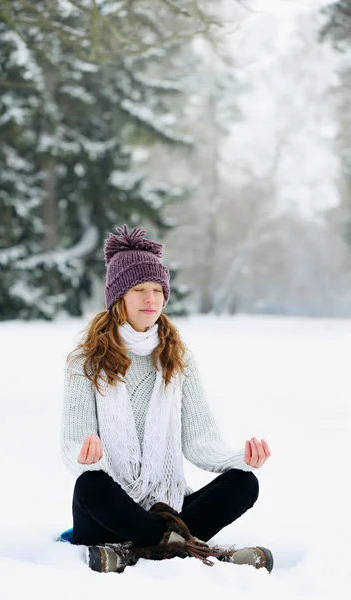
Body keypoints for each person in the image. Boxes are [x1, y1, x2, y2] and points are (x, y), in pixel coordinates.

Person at [60, 224, 272, 574]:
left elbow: (201, 442)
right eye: (140, 289)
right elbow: (72, 443)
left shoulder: (179, 359)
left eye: (158, 290)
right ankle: (195, 549)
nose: (151, 299)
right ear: (118, 298)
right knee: (90, 486)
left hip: (167, 502)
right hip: (109, 510)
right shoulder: (86, 361)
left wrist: (240, 458)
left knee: (244, 484)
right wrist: (84, 457)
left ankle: (139, 549)